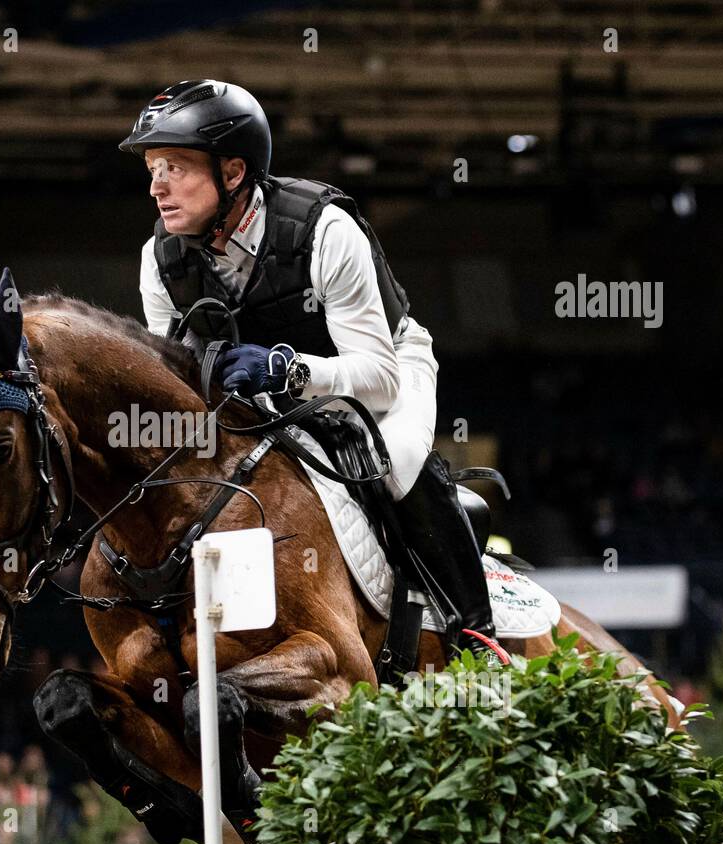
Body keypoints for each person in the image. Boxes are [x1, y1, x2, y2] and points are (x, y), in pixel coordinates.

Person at [120, 79, 506, 662]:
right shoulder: (161, 258)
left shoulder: (324, 230)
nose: (156, 187)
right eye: (152, 167)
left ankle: (476, 636)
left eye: (174, 165)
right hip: (258, 397)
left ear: (232, 173)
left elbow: (378, 379)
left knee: (393, 468)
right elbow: (173, 381)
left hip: (382, 371)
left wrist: (287, 369)